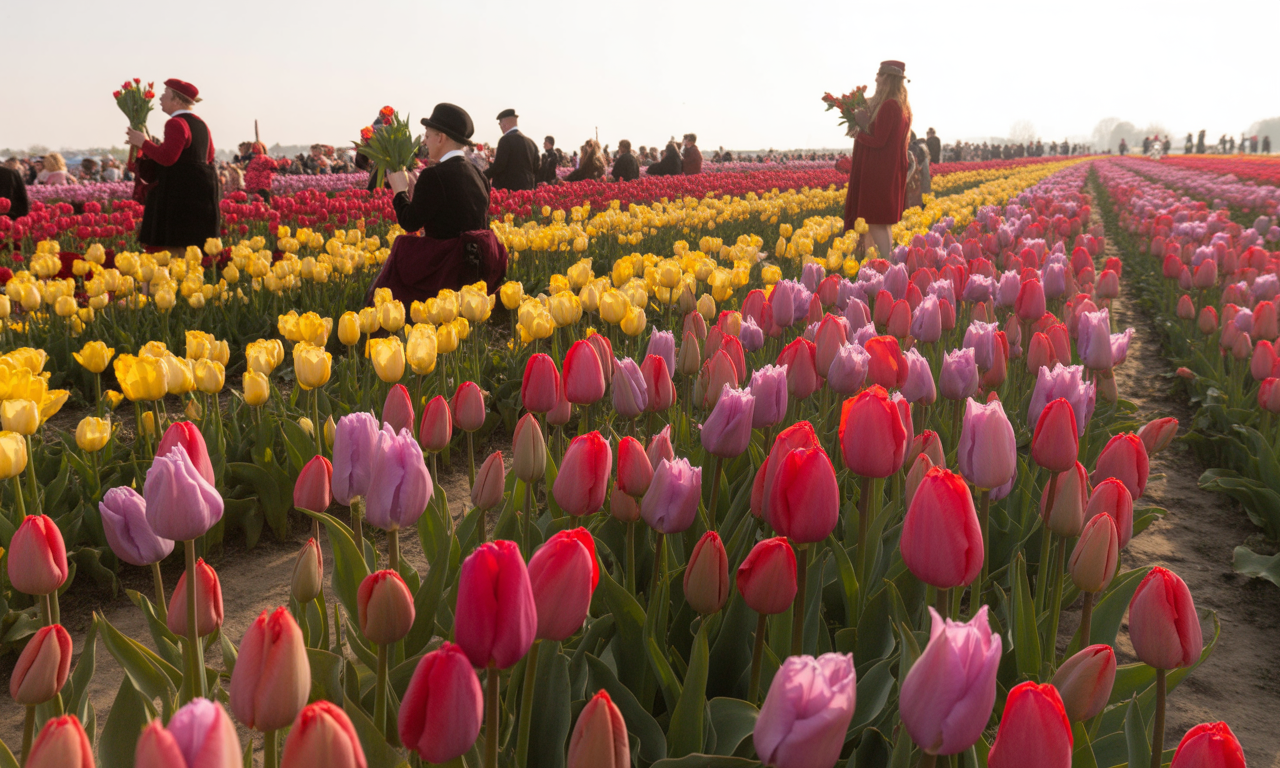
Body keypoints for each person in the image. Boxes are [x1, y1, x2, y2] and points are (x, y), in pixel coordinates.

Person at [370, 103, 507, 305]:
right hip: (476, 269)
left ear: (440, 138)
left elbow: (410, 222)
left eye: (427, 135)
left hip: (445, 271)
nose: (425, 142)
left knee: (401, 250)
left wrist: (400, 192)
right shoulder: (478, 174)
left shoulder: (433, 175)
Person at [125, 78, 221, 251]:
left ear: (176, 100)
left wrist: (143, 143)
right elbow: (209, 156)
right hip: (200, 198)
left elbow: (167, 158)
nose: (160, 98)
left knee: (173, 251)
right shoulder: (202, 125)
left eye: (165, 94)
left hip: (178, 199)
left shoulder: (176, 123)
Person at [843, 59, 912, 260]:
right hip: (886, 171)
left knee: (874, 221)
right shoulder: (901, 106)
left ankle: (888, 264)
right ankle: (876, 265)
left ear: (888, 78)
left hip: (878, 172)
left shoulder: (889, 106)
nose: (876, 79)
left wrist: (858, 133)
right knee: (880, 223)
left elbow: (879, 141)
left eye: (879, 75)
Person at [485, 108, 538, 191]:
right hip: (527, 190)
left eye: (500, 123)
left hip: (508, 190)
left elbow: (499, 166)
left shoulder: (505, 140)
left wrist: (481, 176)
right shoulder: (531, 142)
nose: (500, 126)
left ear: (504, 123)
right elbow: (536, 167)